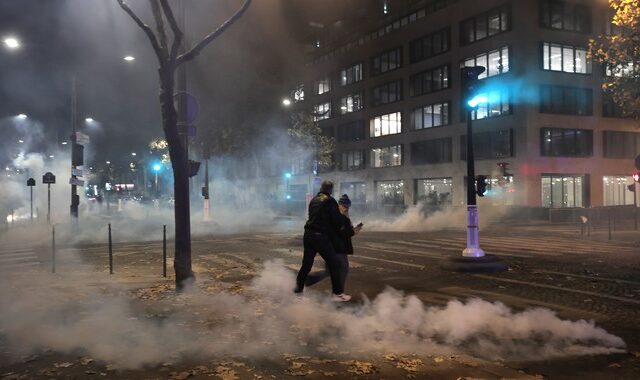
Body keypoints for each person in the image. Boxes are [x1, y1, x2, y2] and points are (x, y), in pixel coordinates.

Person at [294, 180, 350, 302]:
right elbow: (336, 221)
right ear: (331, 190)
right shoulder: (330, 201)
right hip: (320, 236)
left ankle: (298, 291)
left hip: (308, 235)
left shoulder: (314, 200)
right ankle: (338, 293)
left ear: (321, 188)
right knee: (335, 264)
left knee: (306, 265)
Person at [304, 194, 362, 294]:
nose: (346, 208)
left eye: (348, 206)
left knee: (330, 271)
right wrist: (353, 231)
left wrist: (353, 229)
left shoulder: (342, 215)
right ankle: (338, 294)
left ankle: (307, 280)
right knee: (343, 269)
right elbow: (341, 231)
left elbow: (346, 230)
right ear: (339, 205)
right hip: (337, 248)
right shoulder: (336, 216)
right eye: (344, 206)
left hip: (335, 248)